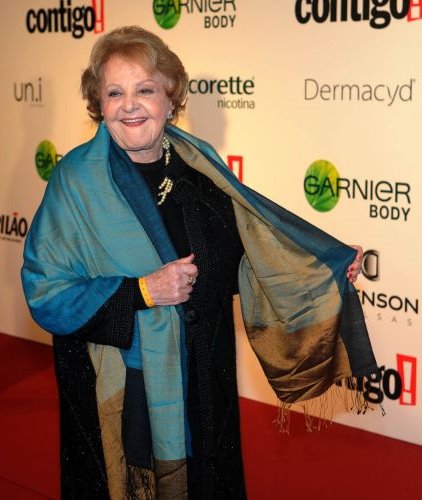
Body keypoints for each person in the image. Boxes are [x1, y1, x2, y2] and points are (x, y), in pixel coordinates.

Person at [21, 26, 376, 500]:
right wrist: (142, 292)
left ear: (170, 99)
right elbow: (46, 292)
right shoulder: (74, 181)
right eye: (115, 93)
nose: (130, 105)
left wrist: (322, 264)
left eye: (145, 90)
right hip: (123, 386)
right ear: (98, 104)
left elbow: (243, 254)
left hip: (205, 376)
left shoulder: (198, 164)